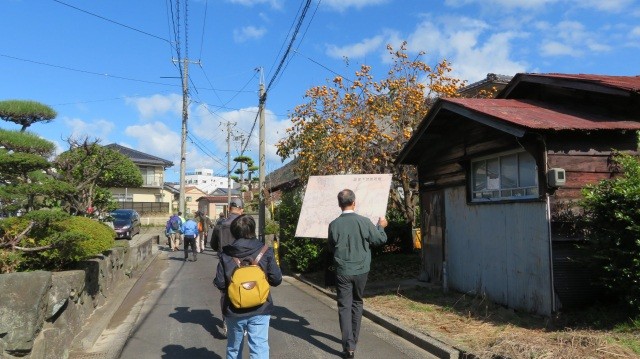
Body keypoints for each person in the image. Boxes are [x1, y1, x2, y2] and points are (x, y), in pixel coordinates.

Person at [327, 189, 388, 359]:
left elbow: (331, 247)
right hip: (362, 270)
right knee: (357, 303)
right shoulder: (364, 221)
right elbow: (379, 240)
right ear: (354, 202)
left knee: (344, 307)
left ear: (339, 204)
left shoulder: (333, 224)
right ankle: (354, 340)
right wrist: (381, 227)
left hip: (342, 270)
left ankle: (349, 347)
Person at [214, 214, 282, 359]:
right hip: (261, 308)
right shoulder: (265, 251)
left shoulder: (226, 254)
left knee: (234, 347)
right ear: (253, 229)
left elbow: (220, 282)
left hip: (234, 308)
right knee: (259, 347)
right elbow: (276, 280)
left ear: (234, 232)